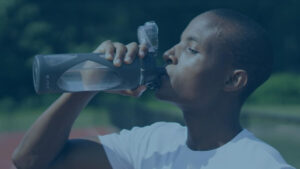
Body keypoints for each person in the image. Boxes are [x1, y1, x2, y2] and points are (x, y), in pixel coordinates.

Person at [12, 9, 295, 169]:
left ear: (233, 81)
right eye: (178, 43)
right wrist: (92, 77)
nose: (170, 54)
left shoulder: (258, 163)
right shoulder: (153, 143)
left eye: (191, 49)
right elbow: (30, 161)